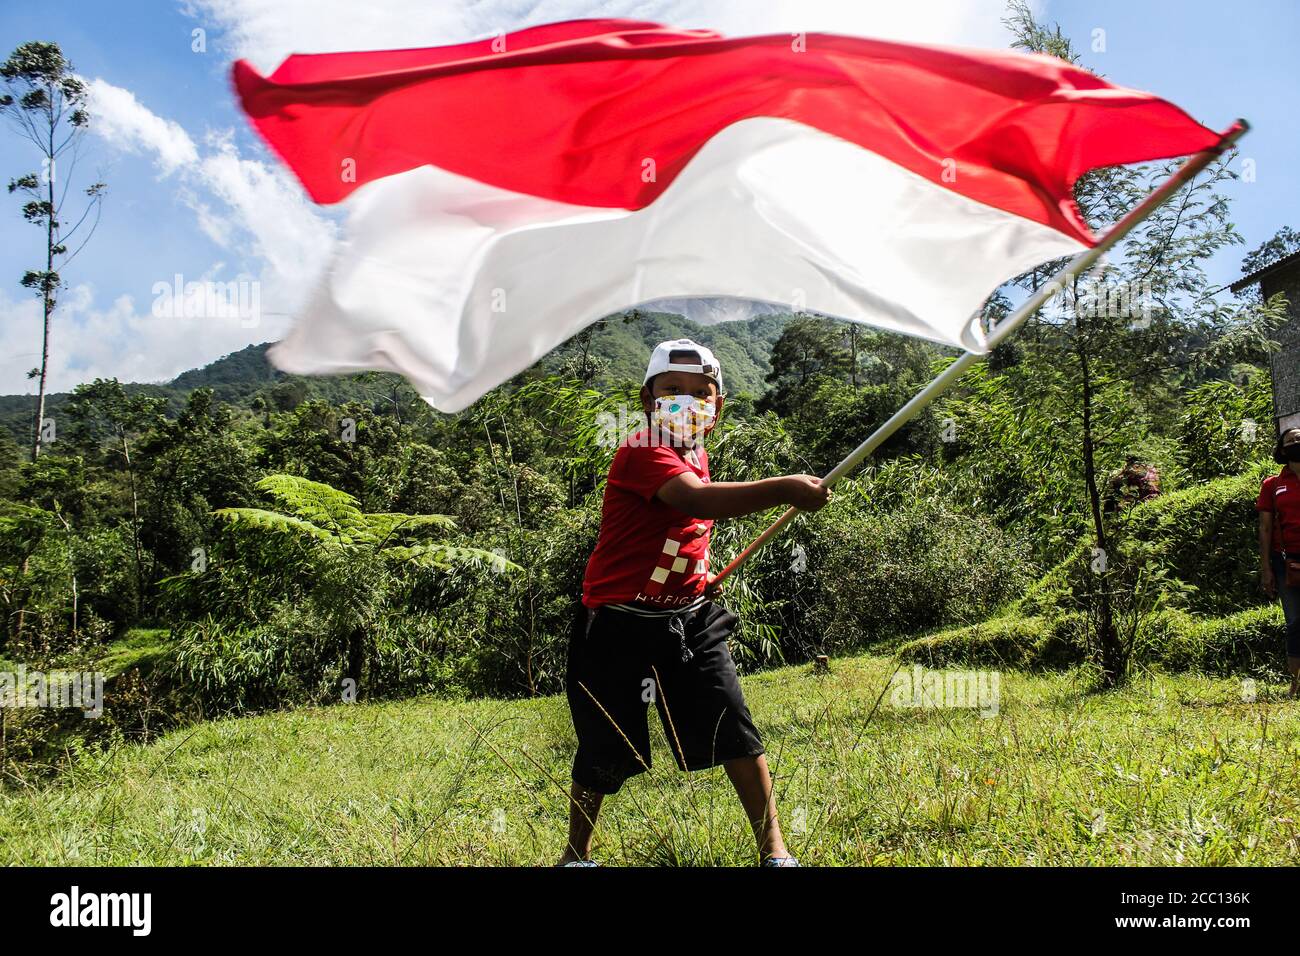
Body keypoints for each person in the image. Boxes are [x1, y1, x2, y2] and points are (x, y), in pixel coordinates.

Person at [557, 338, 830, 867]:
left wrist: (697, 576)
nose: (685, 402)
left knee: (734, 727)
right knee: (606, 747)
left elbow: (684, 532)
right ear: (648, 401)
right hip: (616, 623)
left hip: (690, 618)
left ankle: (775, 851)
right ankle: (576, 854)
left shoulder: (696, 453)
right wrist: (787, 489)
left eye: (699, 393)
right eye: (671, 391)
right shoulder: (642, 449)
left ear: (717, 406)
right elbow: (695, 502)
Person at [1257, 427, 1300, 698]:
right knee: (1295, 622)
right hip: (1286, 562)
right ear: (1282, 450)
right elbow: (1265, 528)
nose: (1297, 441)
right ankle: (1296, 685)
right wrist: (1266, 568)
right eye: (1291, 440)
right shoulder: (1272, 484)